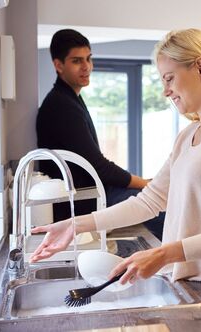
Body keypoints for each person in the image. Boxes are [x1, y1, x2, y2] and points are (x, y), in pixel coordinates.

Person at [31, 28, 201, 331]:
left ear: (200, 67)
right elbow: (150, 200)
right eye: (163, 80)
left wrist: (162, 253)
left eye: (169, 78)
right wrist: (76, 224)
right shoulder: (188, 136)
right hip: (193, 286)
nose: (166, 90)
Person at [36, 29, 164, 240]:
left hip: (90, 192)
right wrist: (145, 183)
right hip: (82, 200)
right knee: (153, 201)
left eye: (88, 59)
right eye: (77, 61)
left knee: (151, 195)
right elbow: (99, 167)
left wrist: (146, 182)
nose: (86, 67)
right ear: (59, 65)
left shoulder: (68, 99)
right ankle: (183, 258)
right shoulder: (61, 106)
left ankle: (180, 255)